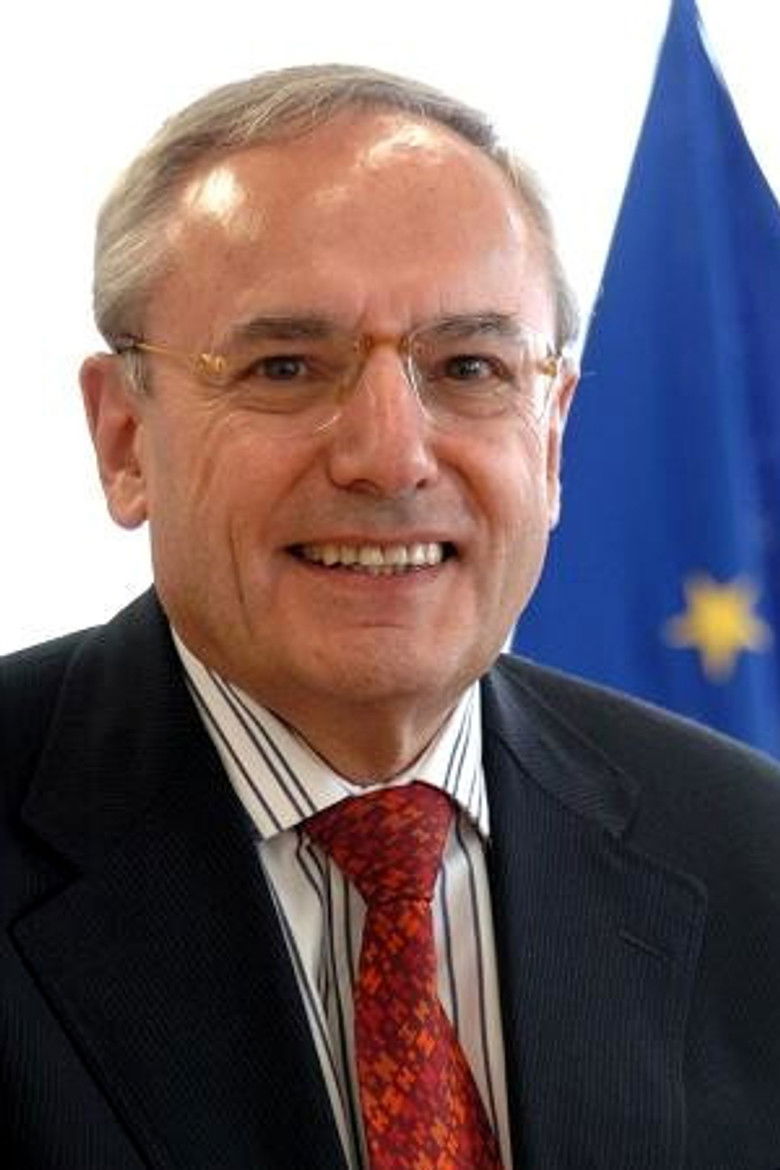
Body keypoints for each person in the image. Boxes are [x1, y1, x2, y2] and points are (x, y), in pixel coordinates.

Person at [2, 64, 779, 1170]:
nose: (390, 455)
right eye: (285, 367)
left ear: (552, 439)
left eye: (469, 366)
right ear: (126, 438)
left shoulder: (751, 857)